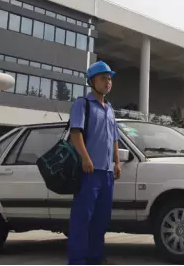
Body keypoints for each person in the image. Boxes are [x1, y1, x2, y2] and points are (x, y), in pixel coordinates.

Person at [67, 61, 122, 265]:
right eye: (103, 78)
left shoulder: (110, 109)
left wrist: (117, 162)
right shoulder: (83, 104)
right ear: (92, 81)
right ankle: (77, 259)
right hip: (89, 171)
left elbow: (115, 138)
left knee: (101, 218)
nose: (108, 82)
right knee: (83, 217)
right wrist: (85, 158)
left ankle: (95, 257)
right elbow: (75, 133)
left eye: (109, 78)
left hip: (107, 172)